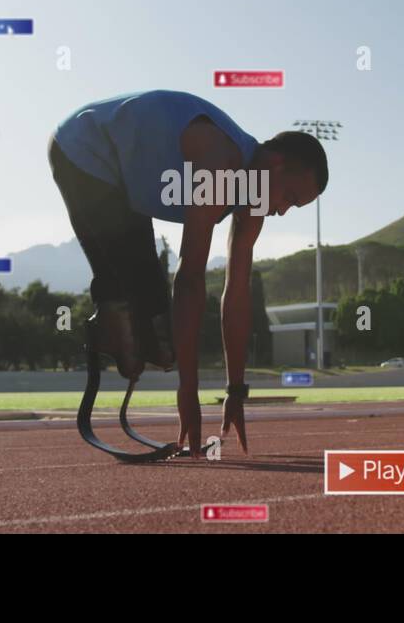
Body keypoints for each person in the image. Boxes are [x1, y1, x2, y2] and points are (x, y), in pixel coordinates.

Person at [48, 90, 328, 458]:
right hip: (83, 149)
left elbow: (237, 291)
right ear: (274, 164)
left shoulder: (255, 192)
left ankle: (127, 323)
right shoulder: (221, 166)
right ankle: (112, 314)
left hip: (125, 184)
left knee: (163, 347)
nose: (282, 211)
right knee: (133, 301)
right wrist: (187, 392)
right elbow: (192, 276)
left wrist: (236, 391)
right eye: (290, 197)